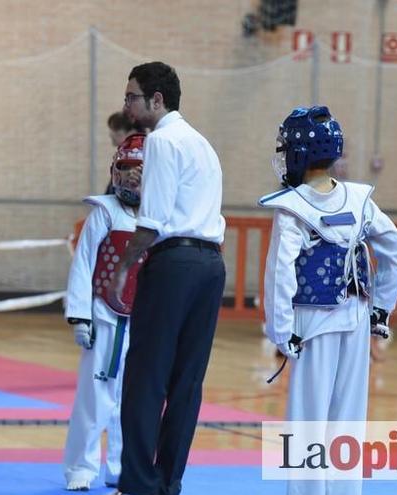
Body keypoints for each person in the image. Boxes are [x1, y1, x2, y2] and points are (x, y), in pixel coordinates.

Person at [260, 106, 397, 495]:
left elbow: (280, 271)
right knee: (348, 417)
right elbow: (396, 248)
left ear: (298, 154)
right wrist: (381, 310)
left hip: (312, 323)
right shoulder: (359, 200)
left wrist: (280, 331)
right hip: (357, 319)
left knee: (308, 417)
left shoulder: (292, 207)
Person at [106, 61, 226, 495]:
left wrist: (122, 271)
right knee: (186, 381)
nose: (126, 105)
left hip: (173, 264)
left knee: (145, 378)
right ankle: (166, 483)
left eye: (132, 97)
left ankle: (137, 484)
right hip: (210, 267)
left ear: (157, 100)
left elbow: (153, 222)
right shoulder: (201, 143)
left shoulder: (160, 141)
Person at [63, 134, 148, 491]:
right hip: (104, 317)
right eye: (125, 168)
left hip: (141, 322)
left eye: (140, 170)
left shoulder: (159, 220)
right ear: (114, 170)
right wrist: (80, 315)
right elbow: (83, 264)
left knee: (130, 400)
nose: (131, 177)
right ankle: (81, 469)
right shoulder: (104, 213)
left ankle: (120, 468)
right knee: (94, 396)